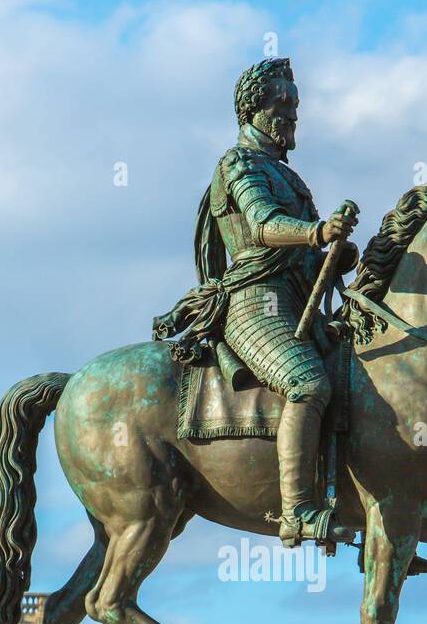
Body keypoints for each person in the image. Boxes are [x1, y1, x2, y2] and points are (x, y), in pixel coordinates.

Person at [153, 56, 359, 548]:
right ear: (253, 110)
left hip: (296, 304)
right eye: (282, 103)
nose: (291, 114)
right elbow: (264, 227)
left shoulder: (290, 176)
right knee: (307, 385)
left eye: (295, 104)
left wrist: (337, 253)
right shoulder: (239, 163)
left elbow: (302, 254)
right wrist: (316, 232)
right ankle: (298, 512)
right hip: (255, 306)